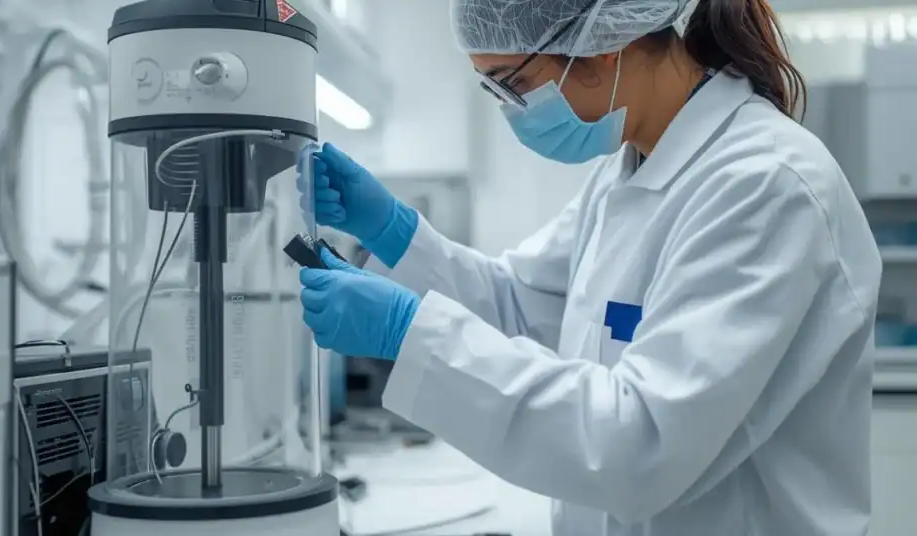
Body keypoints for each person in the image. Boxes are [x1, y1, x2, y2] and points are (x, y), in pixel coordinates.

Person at [297, 0, 883, 534]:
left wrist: (408, 332)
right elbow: (519, 306)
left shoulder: (764, 184)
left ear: (603, 44)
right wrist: (393, 232)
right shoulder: (626, 174)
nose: (509, 112)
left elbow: (640, 444)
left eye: (513, 84)